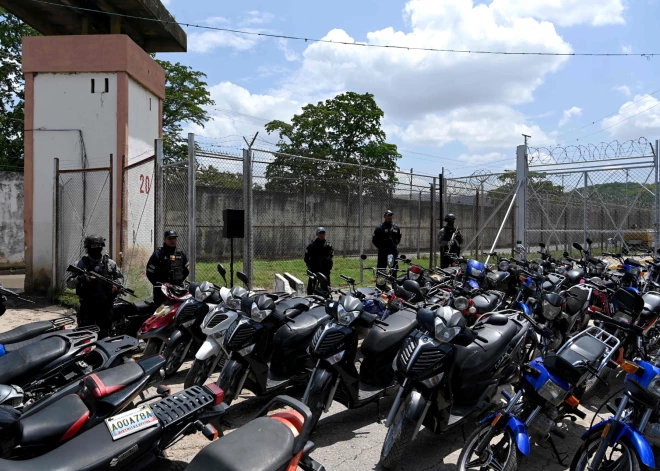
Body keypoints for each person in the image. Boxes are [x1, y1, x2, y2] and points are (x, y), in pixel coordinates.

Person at [66, 235, 123, 337]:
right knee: (85, 336)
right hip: (87, 306)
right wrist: (80, 278)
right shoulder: (80, 264)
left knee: (105, 334)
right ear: (88, 247)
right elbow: (69, 284)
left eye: (98, 245)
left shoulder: (110, 263)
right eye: (93, 245)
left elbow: (120, 278)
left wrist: (116, 285)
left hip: (105, 306)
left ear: (102, 246)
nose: (96, 247)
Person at [146, 230, 190, 306]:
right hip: (162, 292)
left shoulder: (181, 253)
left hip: (178, 290)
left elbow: (186, 270)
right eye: (170, 239)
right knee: (161, 314)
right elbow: (149, 272)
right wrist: (158, 284)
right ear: (165, 239)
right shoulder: (158, 254)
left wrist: (178, 282)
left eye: (174, 238)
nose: (173, 240)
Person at [372, 210, 402, 284]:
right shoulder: (379, 228)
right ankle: (380, 284)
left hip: (393, 250)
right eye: (388, 215)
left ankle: (393, 284)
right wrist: (380, 247)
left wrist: (395, 244)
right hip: (383, 251)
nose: (390, 217)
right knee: (381, 268)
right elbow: (374, 240)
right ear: (384, 216)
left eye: (391, 215)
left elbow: (399, 237)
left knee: (394, 268)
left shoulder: (396, 228)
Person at [304, 227, 334, 295]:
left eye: (323, 233)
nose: (322, 235)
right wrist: (310, 266)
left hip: (324, 269)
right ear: (317, 234)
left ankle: (325, 298)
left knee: (326, 286)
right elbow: (306, 257)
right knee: (311, 286)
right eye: (320, 233)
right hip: (314, 268)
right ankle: (310, 297)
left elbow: (331, 255)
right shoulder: (312, 245)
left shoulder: (328, 245)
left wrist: (329, 264)